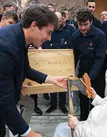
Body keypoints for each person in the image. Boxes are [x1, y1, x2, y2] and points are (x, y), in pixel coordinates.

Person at [0, 4, 67, 137]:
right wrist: (28, 133)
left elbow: (26, 69)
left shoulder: (19, 37)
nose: (49, 39)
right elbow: (4, 101)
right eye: (48, 33)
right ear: (34, 25)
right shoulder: (5, 46)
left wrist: (51, 79)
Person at [54, 64, 107, 137]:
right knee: (61, 127)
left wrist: (77, 125)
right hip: (90, 126)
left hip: (87, 130)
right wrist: (95, 97)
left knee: (60, 130)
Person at [72, 8, 106, 120]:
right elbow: (74, 57)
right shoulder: (75, 35)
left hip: (97, 73)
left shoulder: (100, 35)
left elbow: (100, 58)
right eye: (80, 24)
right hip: (83, 71)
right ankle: (82, 122)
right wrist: (73, 73)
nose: (82, 28)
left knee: (95, 101)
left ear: (91, 21)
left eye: (85, 24)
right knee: (83, 99)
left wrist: (90, 77)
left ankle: (95, 123)